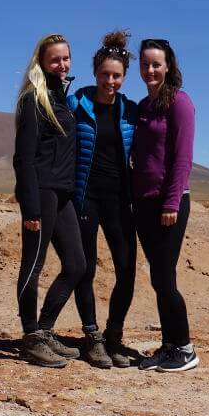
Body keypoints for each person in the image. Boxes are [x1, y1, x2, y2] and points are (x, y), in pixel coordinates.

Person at [13, 33, 87, 368]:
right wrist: (29, 207)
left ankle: (44, 330)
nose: (62, 64)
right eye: (55, 59)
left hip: (63, 193)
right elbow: (23, 159)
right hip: (41, 193)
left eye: (66, 58)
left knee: (77, 264)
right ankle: (31, 338)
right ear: (42, 62)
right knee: (33, 264)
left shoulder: (62, 98)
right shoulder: (33, 99)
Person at [67, 31, 139, 369]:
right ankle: (92, 337)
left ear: (124, 77)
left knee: (126, 269)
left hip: (120, 201)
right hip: (85, 198)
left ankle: (114, 336)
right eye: (105, 75)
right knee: (85, 269)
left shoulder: (131, 112)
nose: (110, 81)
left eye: (117, 76)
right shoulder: (77, 103)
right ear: (95, 73)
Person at [132, 38, 199, 372]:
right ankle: (169, 345)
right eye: (145, 64)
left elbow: (183, 158)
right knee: (158, 278)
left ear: (168, 66)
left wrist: (171, 202)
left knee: (165, 277)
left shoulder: (180, 103)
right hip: (143, 204)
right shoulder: (144, 106)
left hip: (169, 204)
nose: (150, 70)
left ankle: (185, 348)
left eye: (156, 64)